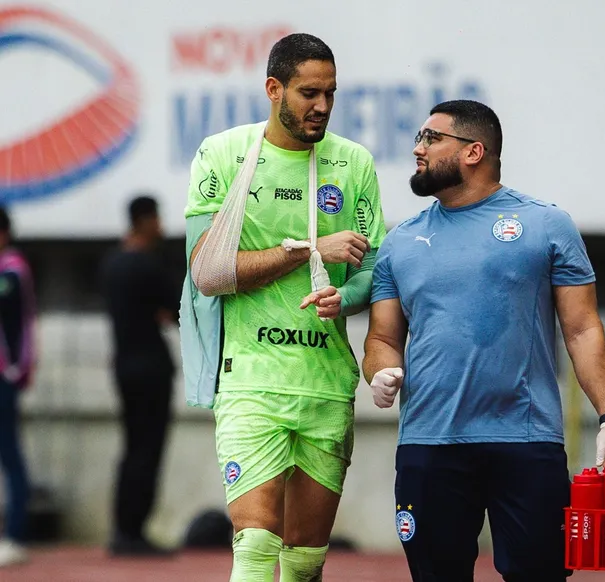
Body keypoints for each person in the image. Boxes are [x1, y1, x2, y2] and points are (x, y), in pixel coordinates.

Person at [362, 100, 605, 582]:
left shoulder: (547, 225)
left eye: (431, 138)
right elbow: (382, 337)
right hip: (430, 442)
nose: (417, 149)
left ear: (473, 151)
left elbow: (583, 328)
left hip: (525, 442)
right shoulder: (399, 241)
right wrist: (380, 372)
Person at [182, 33, 386, 581]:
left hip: (325, 384)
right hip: (250, 382)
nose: (322, 106)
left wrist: (346, 295)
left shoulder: (353, 162)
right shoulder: (223, 154)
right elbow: (209, 273)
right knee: (254, 545)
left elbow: (374, 271)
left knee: (303, 561)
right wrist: (309, 251)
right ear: (274, 89)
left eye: (331, 94)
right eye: (308, 93)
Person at [102, 195, 180, 556]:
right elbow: (177, 307)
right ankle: (134, 532)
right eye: (157, 218)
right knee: (148, 450)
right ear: (146, 220)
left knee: (131, 448)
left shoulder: (112, 264)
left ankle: (123, 528)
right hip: (151, 367)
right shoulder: (148, 266)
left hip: (122, 365)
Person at [0, 207, 35, 568]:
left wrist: (18, 369)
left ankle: (17, 533)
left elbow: (16, 316)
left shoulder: (12, 270)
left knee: (9, 452)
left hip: (4, 376)